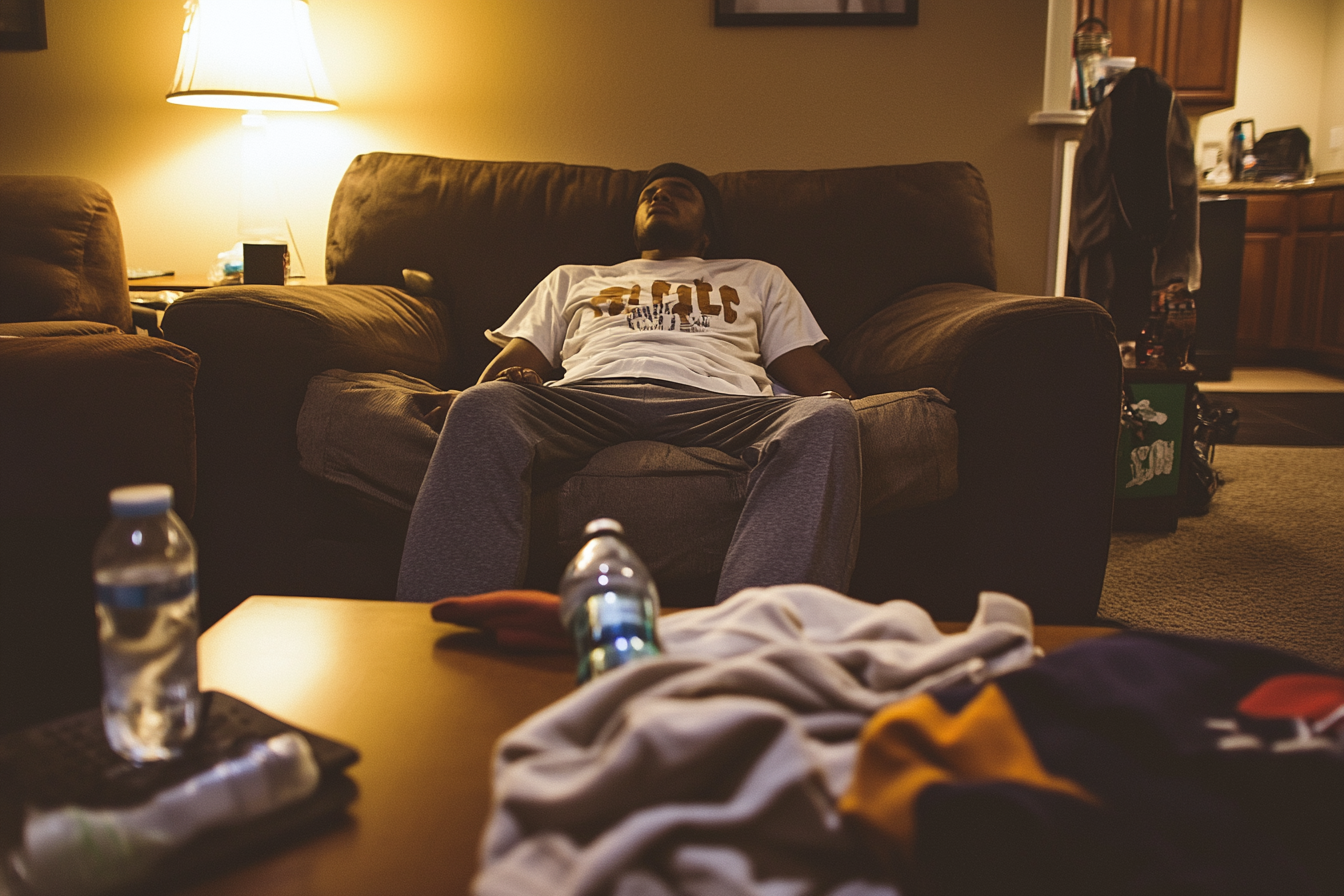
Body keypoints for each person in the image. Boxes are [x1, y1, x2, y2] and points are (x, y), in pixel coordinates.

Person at [396, 163, 863, 604]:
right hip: (588, 396)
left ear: (708, 228)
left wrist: (850, 407)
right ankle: (441, 622)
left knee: (826, 417)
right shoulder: (573, 278)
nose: (660, 196)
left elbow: (806, 370)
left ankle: (761, 636)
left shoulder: (756, 275)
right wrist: (483, 393)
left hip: (717, 399)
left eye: (680, 192)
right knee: (484, 406)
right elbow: (513, 364)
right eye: (649, 194)